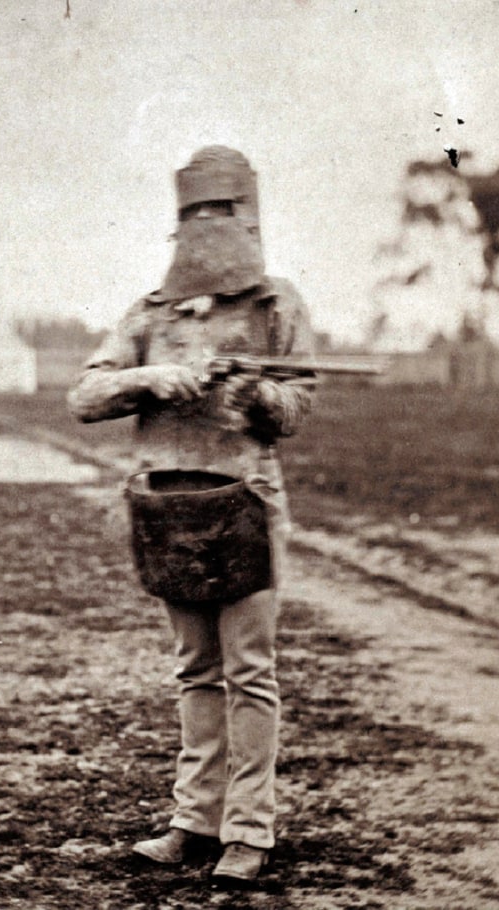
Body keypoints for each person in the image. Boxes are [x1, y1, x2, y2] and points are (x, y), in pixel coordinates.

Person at [67, 146, 315, 883]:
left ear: (248, 215)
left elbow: (297, 406)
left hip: (243, 500)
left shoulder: (279, 305)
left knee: (249, 670)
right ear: (178, 221)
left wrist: (257, 397)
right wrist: (152, 378)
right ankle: (194, 821)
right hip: (166, 508)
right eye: (194, 213)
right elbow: (84, 397)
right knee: (194, 670)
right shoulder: (150, 312)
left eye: (221, 210)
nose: (208, 225)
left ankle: (249, 830)